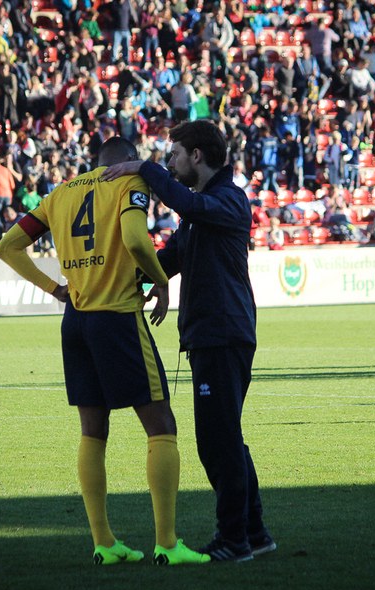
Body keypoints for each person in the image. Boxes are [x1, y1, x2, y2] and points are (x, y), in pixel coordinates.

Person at [0, 136, 210, 567]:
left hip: (75, 321)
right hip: (117, 318)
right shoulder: (129, 181)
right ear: (125, 161)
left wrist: (54, 288)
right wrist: (161, 282)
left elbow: (7, 246)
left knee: (92, 430)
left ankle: (104, 543)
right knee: (161, 424)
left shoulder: (59, 194)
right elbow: (134, 239)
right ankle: (167, 544)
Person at [102, 120, 273, 562]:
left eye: (175, 154)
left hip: (223, 334)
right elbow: (169, 259)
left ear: (197, 155)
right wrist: (120, 282)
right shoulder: (201, 211)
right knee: (226, 438)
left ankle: (234, 539)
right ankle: (253, 532)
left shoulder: (228, 199)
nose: (171, 163)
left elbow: (186, 203)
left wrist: (143, 168)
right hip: (212, 334)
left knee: (217, 443)